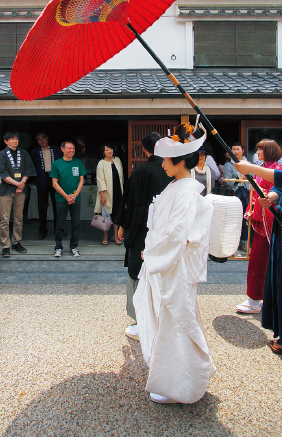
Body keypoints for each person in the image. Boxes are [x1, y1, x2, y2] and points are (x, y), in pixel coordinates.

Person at [133, 121, 215, 404]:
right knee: (170, 321)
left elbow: (178, 235)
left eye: (166, 160)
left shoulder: (186, 193)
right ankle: (179, 378)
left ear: (180, 161)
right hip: (167, 266)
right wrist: (152, 251)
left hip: (174, 268)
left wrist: (152, 254)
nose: (162, 164)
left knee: (177, 322)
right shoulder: (177, 187)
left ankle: (181, 385)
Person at [114, 132, 173, 340]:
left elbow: (134, 206)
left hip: (143, 234)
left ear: (145, 150)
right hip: (168, 234)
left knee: (137, 274)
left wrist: (123, 227)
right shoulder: (176, 172)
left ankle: (142, 322)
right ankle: (163, 319)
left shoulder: (142, 172)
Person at [235, 139, 282, 314]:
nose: (258, 151)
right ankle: (256, 298)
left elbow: (274, 193)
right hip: (259, 218)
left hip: (268, 221)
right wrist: (250, 210)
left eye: (261, 149)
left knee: (261, 261)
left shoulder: (275, 170)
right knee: (258, 260)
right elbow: (254, 193)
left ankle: (255, 300)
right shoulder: (264, 169)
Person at [0, 131, 36, 258]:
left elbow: (29, 169)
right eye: (11, 139)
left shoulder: (24, 153)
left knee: (19, 218)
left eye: (16, 139)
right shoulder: (1, 155)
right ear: (5, 141)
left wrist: (22, 183)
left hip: (20, 190)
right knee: (5, 219)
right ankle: (5, 245)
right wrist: (17, 184)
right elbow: (1, 173)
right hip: (5, 190)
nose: (14, 141)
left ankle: (16, 242)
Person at [50, 141, 87, 257]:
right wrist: (66, 196)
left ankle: (74, 246)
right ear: (62, 149)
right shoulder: (56, 164)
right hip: (61, 198)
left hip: (76, 198)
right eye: (69, 148)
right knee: (60, 224)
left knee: (76, 224)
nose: (72, 151)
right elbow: (54, 183)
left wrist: (74, 195)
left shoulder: (78, 162)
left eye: (73, 149)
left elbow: (81, 180)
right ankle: (58, 247)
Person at [31, 132, 62, 239]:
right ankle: (42, 230)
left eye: (43, 138)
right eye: (38, 139)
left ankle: (58, 229)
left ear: (47, 138)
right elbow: (32, 166)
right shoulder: (35, 151)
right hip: (42, 179)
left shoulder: (56, 149)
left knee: (57, 205)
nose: (41, 141)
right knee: (42, 206)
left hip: (55, 179)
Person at [223, 142, 251, 253]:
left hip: (246, 193)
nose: (236, 152)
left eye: (238, 149)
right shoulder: (228, 165)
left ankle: (244, 242)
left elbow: (252, 177)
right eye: (233, 149)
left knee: (245, 219)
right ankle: (232, 245)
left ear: (243, 150)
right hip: (234, 193)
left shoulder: (248, 163)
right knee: (233, 219)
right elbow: (227, 181)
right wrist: (240, 177)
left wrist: (240, 178)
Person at [94, 144, 124, 245]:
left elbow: (122, 177)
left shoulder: (117, 160)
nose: (109, 151)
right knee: (105, 216)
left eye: (111, 149)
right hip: (106, 193)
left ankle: (115, 236)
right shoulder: (101, 163)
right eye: (107, 150)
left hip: (117, 192)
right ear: (103, 152)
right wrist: (102, 196)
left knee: (116, 215)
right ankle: (105, 235)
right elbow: (100, 180)